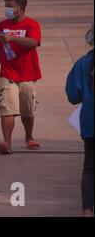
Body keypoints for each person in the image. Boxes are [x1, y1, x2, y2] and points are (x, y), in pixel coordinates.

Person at [0, 0, 42, 154]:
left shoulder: (31, 24)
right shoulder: (1, 25)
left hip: (28, 73)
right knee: (6, 107)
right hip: (8, 73)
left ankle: (29, 136)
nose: (7, 10)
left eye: (10, 6)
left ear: (20, 8)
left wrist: (13, 38)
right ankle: (7, 143)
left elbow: (34, 42)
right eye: (5, 6)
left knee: (27, 109)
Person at [65, 24, 94, 217]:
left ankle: (87, 210)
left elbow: (73, 95)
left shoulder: (84, 63)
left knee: (90, 167)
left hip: (90, 122)